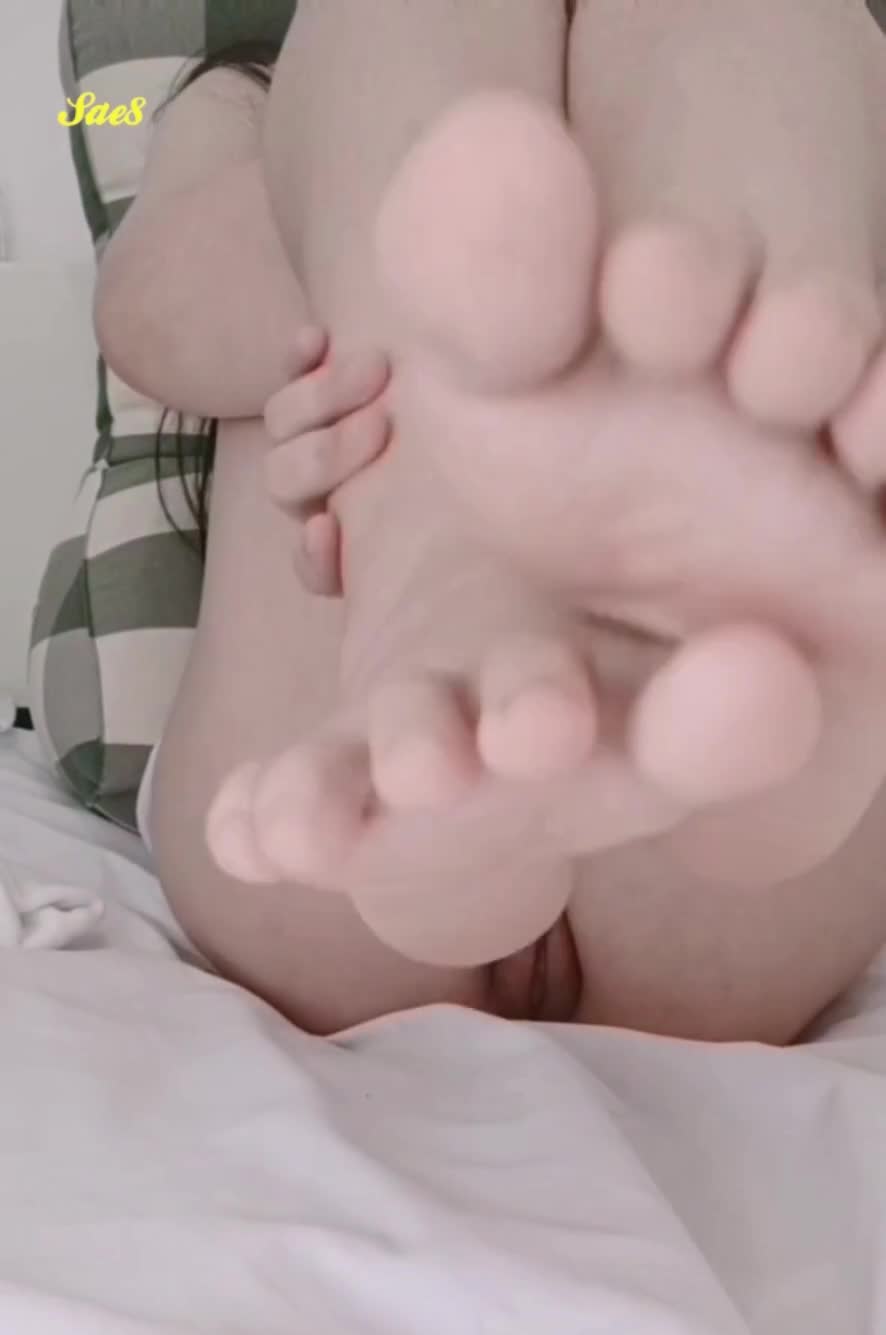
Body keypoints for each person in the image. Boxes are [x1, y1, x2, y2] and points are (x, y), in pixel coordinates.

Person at [95, 0, 886, 1042]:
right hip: (329, 744)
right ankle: (447, 573)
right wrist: (421, 292)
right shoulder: (247, 89)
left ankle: (729, 630)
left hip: (696, 804)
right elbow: (143, 314)